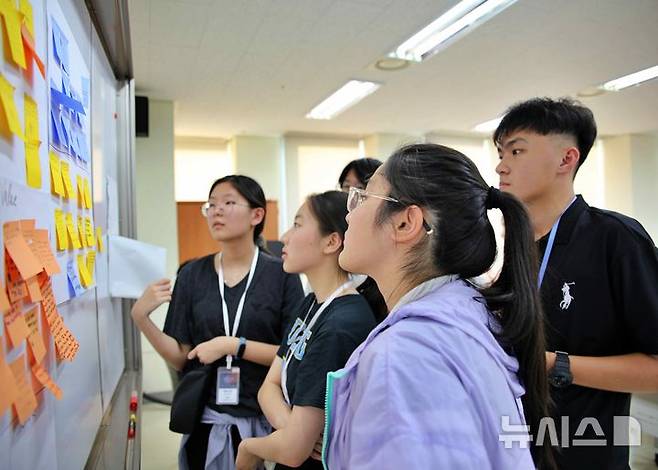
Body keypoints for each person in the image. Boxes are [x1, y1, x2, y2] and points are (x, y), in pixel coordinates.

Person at [323, 143, 554, 469]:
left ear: (406, 223)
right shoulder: (464, 309)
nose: (349, 211)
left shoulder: (403, 358)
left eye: (364, 195)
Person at [494, 97, 658, 469]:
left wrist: (553, 364)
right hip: (514, 448)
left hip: (585, 451)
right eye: (501, 152)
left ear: (567, 160)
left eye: (516, 151)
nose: (501, 165)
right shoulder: (515, 246)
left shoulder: (615, 238)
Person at [131, 175, 304, 470]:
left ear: (257, 214)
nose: (216, 211)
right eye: (210, 204)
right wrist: (140, 318)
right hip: (205, 421)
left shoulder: (282, 274)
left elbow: (290, 355)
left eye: (228, 202)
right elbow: (181, 358)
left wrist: (234, 346)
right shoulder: (191, 274)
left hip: (267, 423)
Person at [234, 191, 378, 470]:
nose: (285, 237)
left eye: (298, 225)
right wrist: (294, 431)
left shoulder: (341, 325)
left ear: (331, 241)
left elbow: (292, 453)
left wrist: (248, 447)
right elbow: (269, 386)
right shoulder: (312, 302)